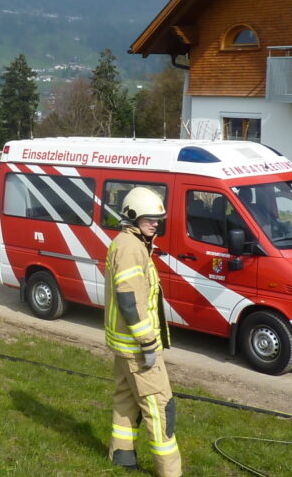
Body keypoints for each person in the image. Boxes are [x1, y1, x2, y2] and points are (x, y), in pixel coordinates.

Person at [104, 187, 181, 476]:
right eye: (150, 219)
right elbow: (129, 300)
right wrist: (148, 343)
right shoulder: (130, 248)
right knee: (160, 407)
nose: (156, 223)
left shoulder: (129, 243)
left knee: (125, 398)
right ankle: (169, 471)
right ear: (133, 217)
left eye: (158, 219)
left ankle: (122, 457)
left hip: (125, 345)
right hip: (137, 347)